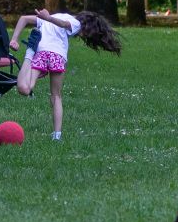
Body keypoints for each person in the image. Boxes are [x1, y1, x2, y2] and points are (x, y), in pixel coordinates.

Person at [7, 8, 121, 141]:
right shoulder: (76, 23)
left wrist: (14, 39)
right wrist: (48, 18)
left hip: (42, 53)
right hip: (56, 56)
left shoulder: (52, 18)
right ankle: (57, 135)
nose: (83, 36)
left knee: (25, 89)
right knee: (56, 96)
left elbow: (24, 18)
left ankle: (30, 52)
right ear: (87, 26)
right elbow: (64, 24)